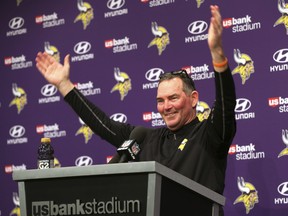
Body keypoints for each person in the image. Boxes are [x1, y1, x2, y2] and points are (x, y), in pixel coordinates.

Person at [36, 5, 236, 215]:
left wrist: (217, 55)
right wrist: (65, 86)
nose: (166, 107)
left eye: (173, 98)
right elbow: (104, 125)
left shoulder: (210, 135)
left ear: (193, 99)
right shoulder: (144, 138)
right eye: (160, 100)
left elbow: (226, 106)